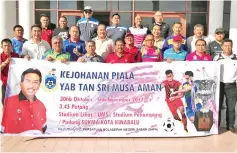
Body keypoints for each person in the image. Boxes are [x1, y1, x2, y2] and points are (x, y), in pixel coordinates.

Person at [1, 68, 47, 134]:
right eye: (28, 81)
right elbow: (3, 129)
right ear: (21, 84)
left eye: (35, 82)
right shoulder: (9, 102)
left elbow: (43, 129)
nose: (31, 86)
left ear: (39, 85)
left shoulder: (41, 106)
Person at [213, 39, 237, 134]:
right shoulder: (216, 58)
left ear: (232, 46)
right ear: (222, 46)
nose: (227, 47)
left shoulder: (236, 58)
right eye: (225, 45)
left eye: (229, 45)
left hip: (231, 85)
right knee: (217, 106)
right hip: (219, 84)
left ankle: (230, 126)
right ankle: (216, 126)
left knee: (231, 108)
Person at [0, 39, 19, 105]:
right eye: (5, 46)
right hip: (6, 84)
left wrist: (25, 56)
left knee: (16, 103)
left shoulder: (16, 55)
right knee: (5, 103)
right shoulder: (0, 57)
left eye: (9, 45)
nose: (7, 47)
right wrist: (5, 63)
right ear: (1, 47)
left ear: (11, 46)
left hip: (16, 84)